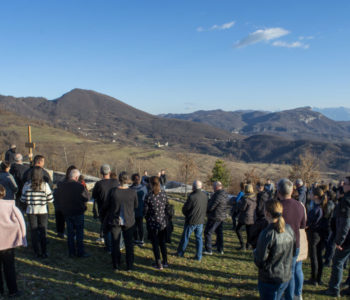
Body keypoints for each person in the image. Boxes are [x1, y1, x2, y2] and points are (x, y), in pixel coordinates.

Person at [254, 199, 296, 300]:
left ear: (267, 213)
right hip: (285, 276)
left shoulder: (267, 234)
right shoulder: (289, 229)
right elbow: (293, 252)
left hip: (270, 279)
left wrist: (255, 253)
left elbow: (260, 260)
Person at [278, 178, 306, 300]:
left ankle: (287, 296)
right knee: (292, 272)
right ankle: (294, 295)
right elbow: (303, 225)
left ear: (278, 191)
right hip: (296, 243)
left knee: (284, 274)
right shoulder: (300, 205)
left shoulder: (277, 206)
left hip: (281, 244)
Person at [103, 172, 138, 271]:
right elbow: (136, 205)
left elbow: (107, 205)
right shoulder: (132, 192)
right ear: (127, 180)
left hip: (115, 220)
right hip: (129, 220)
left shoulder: (113, 192)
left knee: (115, 243)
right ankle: (129, 266)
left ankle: (116, 264)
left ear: (119, 180)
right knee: (129, 244)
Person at [55, 169, 90, 258]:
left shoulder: (62, 185)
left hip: (67, 211)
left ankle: (71, 252)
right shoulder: (80, 186)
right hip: (78, 211)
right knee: (79, 232)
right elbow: (87, 198)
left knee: (70, 233)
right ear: (76, 177)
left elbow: (57, 196)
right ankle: (80, 252)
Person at [325, 176, 350, 297]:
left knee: (338, 262)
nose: (342, 185)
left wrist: (340, 241)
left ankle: (334, 289)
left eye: (345, 183)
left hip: (347, 239)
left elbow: (345, 223)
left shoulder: (346, 201)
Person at [0, 184, 27, 297]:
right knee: (9, 267)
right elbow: (21, 221)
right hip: (8, 242)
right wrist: (23, 238)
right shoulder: (10, 205)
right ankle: (13, 290)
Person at [21, 166, 53, 258]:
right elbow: (50, 199)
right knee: (43, 231)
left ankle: (36, 252)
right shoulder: (44, 185)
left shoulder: (27, 185)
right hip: (42, 210)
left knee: (33, 231)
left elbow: (23, 199)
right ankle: (44, 251)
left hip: (31, 210)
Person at [177, 180, 208, 261]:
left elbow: (185, 209)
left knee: (185, 237)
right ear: (201, 187)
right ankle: (198, 256)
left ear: (194, 187)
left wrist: (187, 215)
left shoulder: (192, 196)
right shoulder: (205, 196)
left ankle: (180, 253)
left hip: (191, 220)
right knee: (199, 239)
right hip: (200, 220)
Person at [144, 176, 170, 269]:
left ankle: (158, 263)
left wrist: (148, 218)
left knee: (155, 244)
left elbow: (145, 211)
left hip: (153, 223)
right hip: (162, 223)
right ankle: (165, 261)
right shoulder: (163, 194)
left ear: (151, 184)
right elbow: (167, 207)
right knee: (162, 243)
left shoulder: (149, 196)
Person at [305, 187, 328, 286]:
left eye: (310, 193)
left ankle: (314, 278)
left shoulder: (316, 209)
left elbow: (310, 222)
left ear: (315, 196)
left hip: (314, 234)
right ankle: (318, 277)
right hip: (320, 234)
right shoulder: (321, 206)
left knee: (314, 257)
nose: (309, 195)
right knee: (318, 256)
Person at [92, 164, 119, 247]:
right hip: (115, 208)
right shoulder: (115, 182)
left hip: (103, 208)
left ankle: (109, 247)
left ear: (101, 172)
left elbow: (94, 196)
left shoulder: (98, 184)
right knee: (114, 229)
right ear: (110, 172)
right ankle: (115, 246)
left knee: (106, 229)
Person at [203, 181, 228, 255]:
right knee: (219, 233)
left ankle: (208, 250)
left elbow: (212, 206)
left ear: (217, 187)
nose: (212, 188)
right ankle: (220, 249)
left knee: (208, 232)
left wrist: (206, 210)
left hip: (215, 216)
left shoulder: (218, 195)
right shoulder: (224, 194)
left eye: (213, 186)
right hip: (221, 216)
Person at [54, 165, 77, 238]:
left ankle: (60, 232)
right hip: (68, 205)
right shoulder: (74, 183)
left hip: (60, 204)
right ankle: (70, 233)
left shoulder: (61, 181)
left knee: (60, 219)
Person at [236, 183, 257, 250]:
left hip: (245, 216)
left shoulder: (245, 198)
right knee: (249, 232)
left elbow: (242, 208)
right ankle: (248, 245)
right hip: (252, 216)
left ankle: (242, 244)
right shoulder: (255, 197)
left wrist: (239, 204)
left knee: (238, 229)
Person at [250, 181, 270, 249]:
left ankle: (256, 248)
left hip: (260, 216)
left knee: (256, 233)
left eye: (256, 186)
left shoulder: (260, 195)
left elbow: (259, 206)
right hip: (265, 215)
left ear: (259, 187)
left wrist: (256, 213)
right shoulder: (267, 194)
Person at [130, 173, 148, 246]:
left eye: (138, 179)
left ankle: (141, 239)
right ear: (133, 180)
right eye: (135, 179)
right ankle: (135, 239)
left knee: (140, 226)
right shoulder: (130, 189)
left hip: (140, 209)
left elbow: (146, 198)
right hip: (133, 210)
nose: (137, 180)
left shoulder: (143, 187)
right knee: (134, 226)